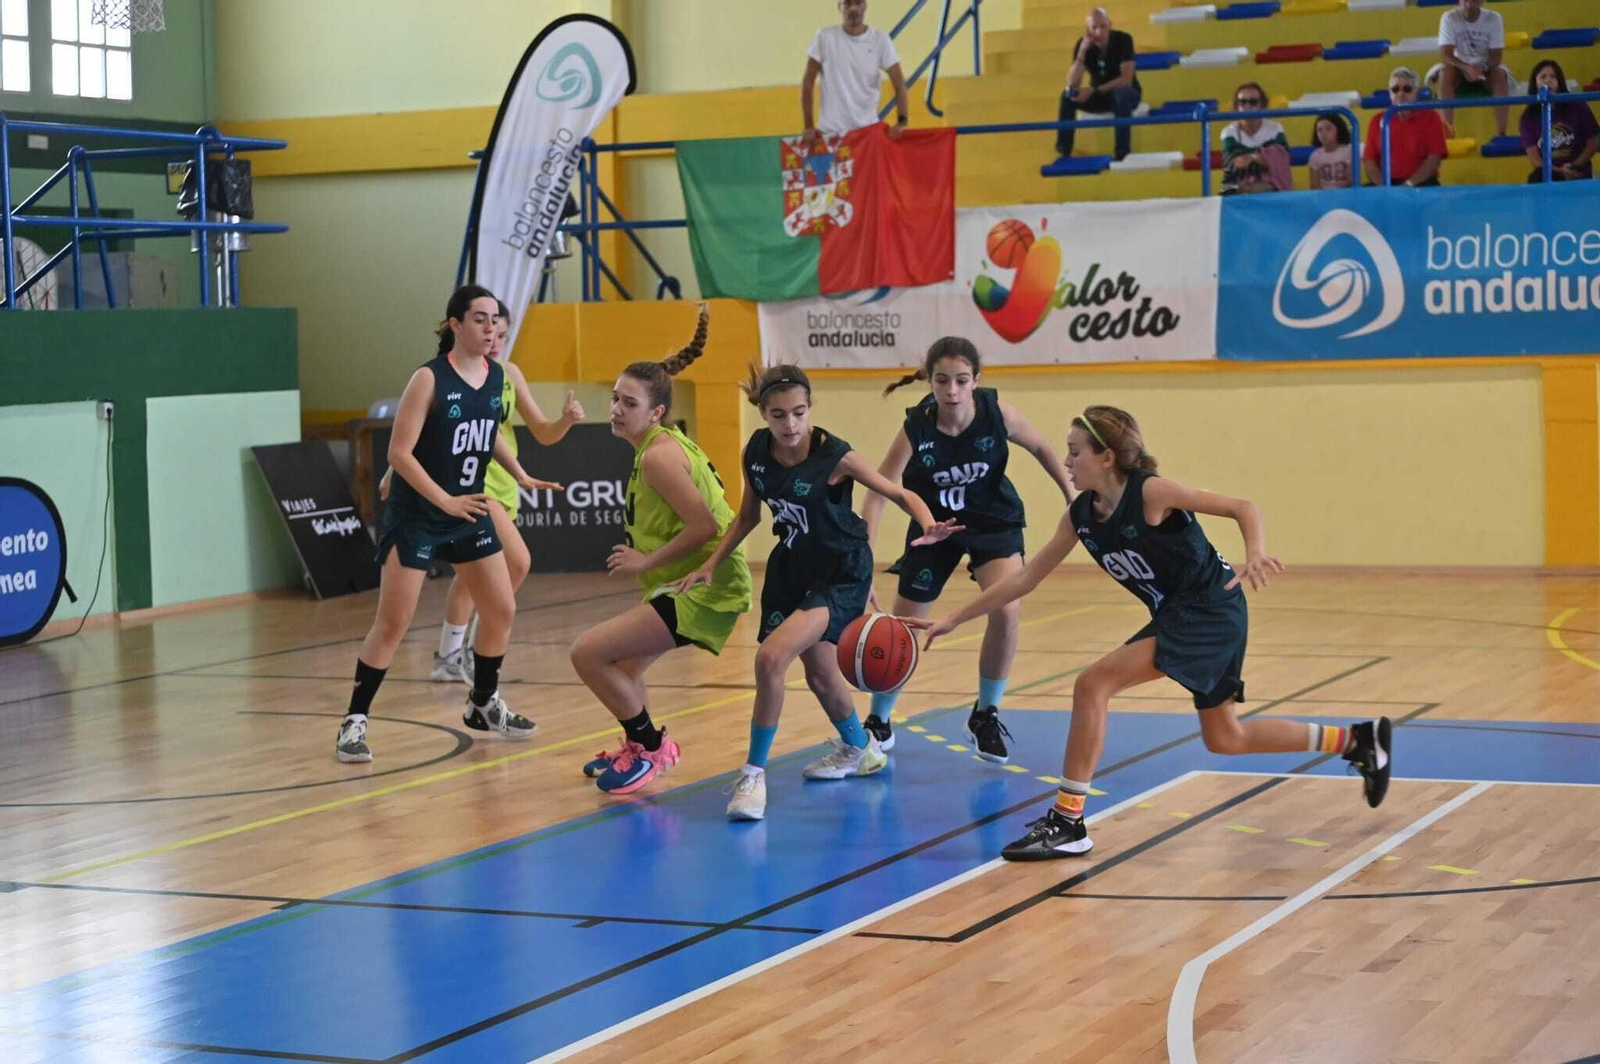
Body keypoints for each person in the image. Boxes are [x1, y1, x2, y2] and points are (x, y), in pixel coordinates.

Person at [908, 406, 1392, 860]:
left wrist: (1256, 551)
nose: (1067, 460)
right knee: (1225, 738)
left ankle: (1068, 821)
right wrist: (954, 618)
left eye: (1075, 451)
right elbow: (1025, 579)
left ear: (1106, 456)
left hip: (1209, 611)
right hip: (1186, 613)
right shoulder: (1080, 517)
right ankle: (1355, 741)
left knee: (1093, 683)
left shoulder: (1151, 493)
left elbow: (1243, 506)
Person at [675, 364, 961, 822]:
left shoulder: (835, 456)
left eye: (799, 413)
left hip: (841, 570)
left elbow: (897, 491)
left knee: (770, 659)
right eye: (779, 415)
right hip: (791, 569)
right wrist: (711, 563)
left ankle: (753, 775)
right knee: (822, 677)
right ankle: (860, 749)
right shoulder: (757, 452)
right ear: (763, 414)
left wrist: (928, 523)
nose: (790, 425)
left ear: (810, 410)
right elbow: (748, 516)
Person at [336, 285, 561, 763]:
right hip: (417, 513)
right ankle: (354, 722)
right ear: (455, 325)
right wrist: (446, 499)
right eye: (479, 319)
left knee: (501, 609)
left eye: (495, 320)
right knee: (393, 623)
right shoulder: (428, 378)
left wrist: (519, 474)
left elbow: (486, 433)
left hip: (465, 511)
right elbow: (399, 452)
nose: (491, 328)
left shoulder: (495, 374)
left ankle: (483, 703)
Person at [859, 337, 1074, 763]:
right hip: (933, 529)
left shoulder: (998, 414)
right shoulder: (916, 427)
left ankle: (985, 713)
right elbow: (877, 494)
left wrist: (1073, 497)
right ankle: (879, 721)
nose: (952, 391)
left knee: (1008, 609)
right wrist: (864, 556)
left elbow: (1045, 448)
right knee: (902, 625)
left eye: (961, 380)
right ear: (930, 381)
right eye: (942, 380)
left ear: (976, 380)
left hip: (992, 523)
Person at [569, 304, 754, 795]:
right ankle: (636, 745)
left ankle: (651, 748)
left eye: (628, 403)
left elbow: (707, 524)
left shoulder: (658, 457)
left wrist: (645, 562)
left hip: (704, 587)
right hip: (688, 582)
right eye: (614, 398)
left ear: (655, 413)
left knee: (586, 654)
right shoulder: (659, 444)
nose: (615, 409)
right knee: (625, 669)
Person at [379, 302, 586, 685]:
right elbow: (422, 433)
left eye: (503, 333)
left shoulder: (506, 375)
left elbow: (541, 432)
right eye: (487, 326)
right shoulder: (443, 375)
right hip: (474, 487)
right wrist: (395, 469)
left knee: (479, 578)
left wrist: (566, 421)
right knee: (517, 563)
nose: (494, 338)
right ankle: (458, 654)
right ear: (462, 327)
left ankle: (456, 655)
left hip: (505, 486)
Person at [801, 0, 911, 148]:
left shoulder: (880, 40)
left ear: (865, 6)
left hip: (868, 135)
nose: (853, 8)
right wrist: (808, 125)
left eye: (858, 2)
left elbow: (899, 84)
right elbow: (808, 83)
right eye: (847, 3)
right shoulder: (825, 37)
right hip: (830, 135)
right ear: (840, 7)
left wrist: (902, 122)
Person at [1056, 7, 1141, 162]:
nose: (1099, 32)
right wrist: (1082, 52)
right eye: (1094, 28)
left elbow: (1126, 79)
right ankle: (1064, 150)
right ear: (1087, 30)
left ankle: (1122, 151)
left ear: (1110, 25)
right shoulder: (1084, 45)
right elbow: (1071, 82)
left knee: (1121, 93)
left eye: (1103, 26)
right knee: (1067, 96)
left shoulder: (1124, 40)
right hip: (1099, 95)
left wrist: (1094, 90)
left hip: (1126, 93)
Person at [1362, 67, 1448, 187]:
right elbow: (1369, 161)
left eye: (1407, 89)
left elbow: (1434, 159)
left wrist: (1408, 185)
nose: (1401, 94)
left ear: (1416, 92)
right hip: (1387, 183)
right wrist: (1384, 187)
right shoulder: (1377, 120)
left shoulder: (1431, 117)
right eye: (1395, 89)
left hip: (1421, 183)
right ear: (1390, 93)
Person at [1438, 0, 1509, 138]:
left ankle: (1502, 134)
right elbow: (1446, 54)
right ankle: (1447, 131)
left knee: (1499, 75)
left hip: (1485, 69)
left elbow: (1496, 57)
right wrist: (1466, 68)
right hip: (1459, 68)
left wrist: (1482, 68)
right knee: (1445, 72)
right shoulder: (1449, 17)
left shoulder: (1494, 18)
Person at [1519, 59, 1598, 182]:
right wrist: (1560, 171)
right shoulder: (1528, 116)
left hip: (1578, 169)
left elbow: (1592, 142)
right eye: (1542, 77)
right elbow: (1535, 160)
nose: (1547, 80)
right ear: (1535, 83)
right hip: (1550, 173)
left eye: (1553, 76)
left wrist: (1574, 166)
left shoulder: (1578, 105)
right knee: (1535, 178)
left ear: (1560, 82)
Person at [1220, 82, 1291, 195]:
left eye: (1253, 102)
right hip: (1237, 188)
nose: (1247, 106)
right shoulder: (1229, 132)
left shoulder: (1275, 128)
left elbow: (1282, 161)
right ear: (1237, 106)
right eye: (1242, 102)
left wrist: (1252, 158)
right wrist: (1264, 157)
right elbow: (1233, 163)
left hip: (1272, 188)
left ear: (1262, 105)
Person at [1307, 111, 1354, 190]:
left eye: (1328, 129)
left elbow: (1351, 179)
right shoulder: (1315, 156)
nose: (1323, 133)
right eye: (1319, 130)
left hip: (1345, 193)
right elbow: (1315, 185)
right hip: (1324, 196)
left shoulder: (1348, 151)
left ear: (1339, 129)